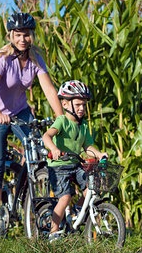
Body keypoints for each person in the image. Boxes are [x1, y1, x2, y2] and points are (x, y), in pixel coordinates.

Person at [0, 12, 63, 239]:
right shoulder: (1, 58)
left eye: (26, 34)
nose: (23, 39)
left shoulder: (36, 57)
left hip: (20, 112)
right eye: (18, 35)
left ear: (31, 35)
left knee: (37, 153)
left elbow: (48, 89)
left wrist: (61, 118)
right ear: (11, 35)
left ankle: (27, 190)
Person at [42, 80, 107, 241]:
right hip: (59, 166)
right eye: (78, 104)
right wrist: (54, 149)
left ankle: (78, 210)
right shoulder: (62, 121)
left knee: (90, 190)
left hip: (75, 164)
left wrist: (98, 154)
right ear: (65, 104)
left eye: (84, 105)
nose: (82, 108)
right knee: (65, 197)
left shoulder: (83, 125)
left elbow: (87, 146)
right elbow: (47, 136)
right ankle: (53, 231)